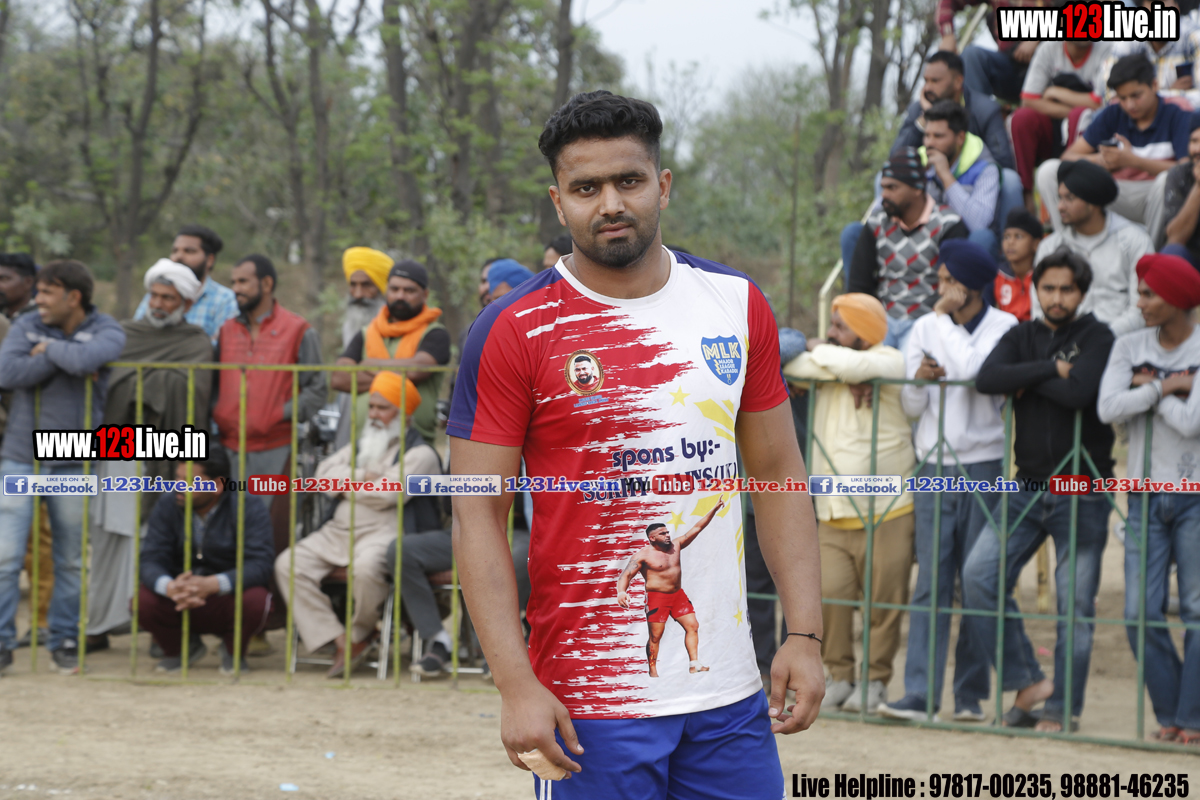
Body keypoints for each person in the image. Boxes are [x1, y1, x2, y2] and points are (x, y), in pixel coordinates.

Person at [449, 90, 824, 798]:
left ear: (663, 184)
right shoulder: (513, 329)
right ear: (558, 202)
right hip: (589, 698)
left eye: (629, 180)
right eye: (586, 188)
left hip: (728, 694)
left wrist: (804, 635)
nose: (611, 203)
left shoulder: (736, 304)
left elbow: (779, 475)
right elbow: (476, 513)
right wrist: (514, 682)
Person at [968, 247, 1115, 733]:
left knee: (1074, 605)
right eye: (1048, 288)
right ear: (1036, 290)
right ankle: (1029, 683)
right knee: (979, 576)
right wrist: (1051, 368)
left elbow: (1081, 392)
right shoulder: (1021, 334)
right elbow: (988, 378)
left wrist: (1028, 378)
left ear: (1081, 293)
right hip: (1027, 487)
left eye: (1066, 289)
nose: (1056, 297)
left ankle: (1061, 710)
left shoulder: (1099, 336)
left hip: (1084, 488)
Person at [879, 240, 1018, 722]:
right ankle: (919, 694)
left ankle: (970, 696)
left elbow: (975, 371)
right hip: (934, 465)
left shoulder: (1004, 327)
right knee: (931, 581)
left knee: (976, 580)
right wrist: (920, 379)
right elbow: (913, 405)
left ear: (969, 286)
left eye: (946, 281)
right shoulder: (923, 327)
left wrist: (942, 320)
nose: (938, 289)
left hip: (984, 464)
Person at [782, 293, 915, 714]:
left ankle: (875, 682)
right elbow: (789, 363)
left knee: (884, 604)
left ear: (866, 331)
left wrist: (827, 357)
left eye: (841, 326)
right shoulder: (837, 364)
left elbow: (867, 367)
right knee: (831, 601)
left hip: (889, 507)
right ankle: (840, 676)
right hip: (833, 510)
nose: (830, 332)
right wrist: (840, 367)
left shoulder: (891, 359)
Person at [0, 260, 126, 674]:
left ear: (73, 297)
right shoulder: (26, 324)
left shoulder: (107, 327)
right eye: (37, 291)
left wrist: (48, 350)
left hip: (74, 459)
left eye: (46, 292)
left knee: (70, 558)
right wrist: (68, 359)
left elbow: (96, 355)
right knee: (5, 557)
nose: (37, 300)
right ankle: (1, 642)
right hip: (21, 457)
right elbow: (7, 371)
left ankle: (65, 639)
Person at [1098, 253, 1200, 745]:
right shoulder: (1128, 345)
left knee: (1197, 610)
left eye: (1148, 294)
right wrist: (1168, 387)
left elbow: (1193, 423)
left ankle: (1190, 719)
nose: (1138, 303)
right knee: (1138, 612)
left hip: (1193, 494)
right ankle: (1176, 709)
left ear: (1176, 300)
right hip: (1141, 495)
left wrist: (1147, 390)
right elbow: (1107, 407)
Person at [276, 373, 440, 678]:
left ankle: (360, 632)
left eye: (383, 408)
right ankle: (343, 640)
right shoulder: (361, 446)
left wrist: (345, 483)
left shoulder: (422, 454)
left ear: (404, 414)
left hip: (384, 534)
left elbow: (388, 494)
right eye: (372, 407)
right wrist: (364, 477)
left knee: (365, 569)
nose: (374, 414)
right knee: (288, 564)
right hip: (337, 532)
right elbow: (321, 477)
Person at [88, 260, 215, 649]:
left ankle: (160, 627)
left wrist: (142, 380)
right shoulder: (125, 334)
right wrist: (153, 379)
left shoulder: (196, 343)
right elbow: (112, 381)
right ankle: (99, 624)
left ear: (186, 304)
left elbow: (194, 390)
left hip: (170, 457)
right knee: (109, 537)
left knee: (160, 540)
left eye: (168, 298)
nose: (158, 304)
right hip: (120, 449)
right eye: (154, 296)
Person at [137, 450, 274, 674]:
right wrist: (170, 587)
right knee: (143, 600)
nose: (179, 486)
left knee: (257, 600)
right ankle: (178, 650)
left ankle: (233, 651)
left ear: (217, 485)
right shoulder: (167, 503)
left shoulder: (248, 505)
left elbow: (260, 563)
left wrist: (214, 584)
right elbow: (150, 558)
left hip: (225, 596)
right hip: (180, 597)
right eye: (178, 478)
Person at [1040, 54, 1191, 238]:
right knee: (1049, 171)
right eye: (1122, 98)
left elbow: (1186, 171)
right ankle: (1070, 244)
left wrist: (1133, 161)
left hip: (1154, 196)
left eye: (1136, 96)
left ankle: (1152, 252)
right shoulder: (1113, 113)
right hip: (1113, 192)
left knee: (1166, 181)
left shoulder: (1177, 115)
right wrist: (1099, 160)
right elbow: (1068, 158)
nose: (1130, 104)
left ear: (1154, 85)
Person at [847, 147, 969, 354]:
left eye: (892, 188)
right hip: (882, 321)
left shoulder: (948, 224)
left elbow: (954, 287)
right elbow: (859, 285)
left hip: (926, 323)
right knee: (866, 365)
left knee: (904, 368)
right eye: (883, 187)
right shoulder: (876, 222)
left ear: (917, 189)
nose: (884, 195)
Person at [332, 259, 449, 446]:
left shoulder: (435, 334)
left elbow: (416, 370)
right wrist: (398, 377)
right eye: (394, 289)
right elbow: (339, 378)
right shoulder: (367, 332)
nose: (400, 296)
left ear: (425, 294)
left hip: (412, 446)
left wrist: (368, 365)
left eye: (409, 290)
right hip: (363, 443)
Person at [1033, 160, 1154, 336]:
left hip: (1119, 340)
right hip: (1063, 342)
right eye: (1060, 198)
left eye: (1069, 198)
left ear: (1093, 203)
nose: (1060, 206)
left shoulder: (1134, 241)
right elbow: (1039, 310)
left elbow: (1141, 310)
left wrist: (1100, 340)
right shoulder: (1051, 247)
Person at [615, 501, 726, 677]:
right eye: (662, 533)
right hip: (657, 599)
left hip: (678, 595)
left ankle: (694, 664)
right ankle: (653, 671)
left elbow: (697, 527)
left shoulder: (676, 545)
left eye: (667, 532)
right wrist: (621, 592)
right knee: (656, 636)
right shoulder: (642, 555)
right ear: (652, 538)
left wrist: (714, 508)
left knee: (693, 626)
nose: (667, 535)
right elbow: (625, 576)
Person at [1010, 41, 1112, 205]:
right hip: (1052, 130)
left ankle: (1072, 192)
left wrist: (1055, 92)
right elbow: (1028, 100)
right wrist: (1073, 108)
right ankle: (1025, 195)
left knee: (1080, 115)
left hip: (1088, 132)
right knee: (1021, 118)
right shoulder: (1048, 47)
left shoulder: (1107, 47)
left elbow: (1100, 102)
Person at [133, 224, 238, 345]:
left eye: (189, 251)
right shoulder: (155, 295)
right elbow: (137, 336)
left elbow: (221, 347)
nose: (178, 257)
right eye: (175, 251)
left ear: (210, 260)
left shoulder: (225, 300)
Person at [922, 100, 1003, 254]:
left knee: (983, 237)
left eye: (938, 136)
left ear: (960, 138)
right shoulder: (920, 163)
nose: (929, 143)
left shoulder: (985, 169)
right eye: (927, 136)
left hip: (966, 249)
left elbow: (978, 225)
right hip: (926, 242)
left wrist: (946, 177)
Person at [940, 0, 1046, 104]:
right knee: (971, 55)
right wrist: (948, 35)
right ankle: (979, 112)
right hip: (1009, 66)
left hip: (1048, 69)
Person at [1099, 0, 1200, 104]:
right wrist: (1170, 94)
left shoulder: (1194, 37)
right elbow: (1110, 96)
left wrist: (1145, 96)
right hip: (1138, 113)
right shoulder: (1129, 39)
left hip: (1182, 114)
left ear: (1177, 10)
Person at [986, 208, 1045, 321]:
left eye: (1018, 236)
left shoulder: (1043, 275)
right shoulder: (997, 276)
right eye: (1006, 237)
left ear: (1036, 244)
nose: (1010, 242)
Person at [1160, 114, 1200, 265]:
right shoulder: (1180, 174)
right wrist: (1198, 187)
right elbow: (1175, 239)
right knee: (1172, 252)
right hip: (1193, 260)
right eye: (1194, 141)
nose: (1197, 149)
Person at [340, 247, 389, 349]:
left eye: (366, 285)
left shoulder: (396, 327)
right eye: (353, 285)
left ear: (381, 289)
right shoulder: (348, 326)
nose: (358, 295)